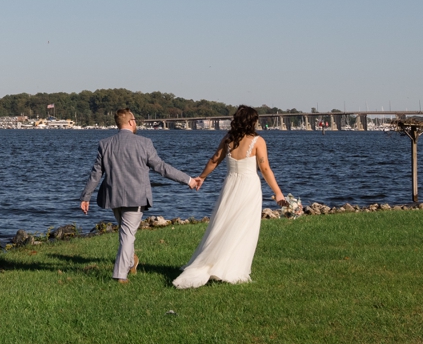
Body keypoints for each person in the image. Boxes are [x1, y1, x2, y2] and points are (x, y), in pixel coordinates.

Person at [173, 105, 284, 289]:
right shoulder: (258, 141)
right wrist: (278, 192)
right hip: (249, 187)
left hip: (230, 186)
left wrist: (202, 176)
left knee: (223, 224)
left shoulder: (228, 139)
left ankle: (217, 263)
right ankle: (232, 269)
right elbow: (265, 168)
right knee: (243, 227)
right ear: (252, 122)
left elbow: (214, 160)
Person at [79, 108, 197, 283]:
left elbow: (96, 174)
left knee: (126, 233)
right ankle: (120, 274)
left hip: (113, 196)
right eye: (135, 120)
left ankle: (131, 262)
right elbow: (161, 167)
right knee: (127, 235)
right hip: (136, 196)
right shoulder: (144, 143)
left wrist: (85, 197)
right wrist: (188, 180)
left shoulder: (105, 143)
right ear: (131, 122)